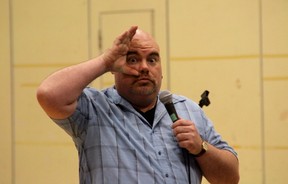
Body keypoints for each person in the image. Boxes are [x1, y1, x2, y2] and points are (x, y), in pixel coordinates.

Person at [37, 26, 239, 184]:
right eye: (132, 59)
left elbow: (230, 178)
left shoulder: (187, 110)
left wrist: (201, 149)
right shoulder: (94, 110)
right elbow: (48, 94)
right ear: (114, 70)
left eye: (152, 60)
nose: (144, 67)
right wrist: (106, 61)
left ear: (161, 71)